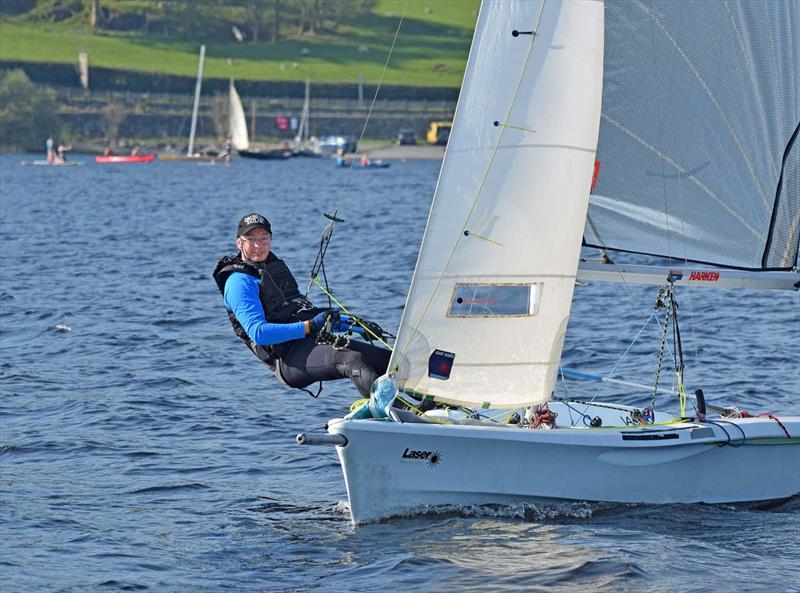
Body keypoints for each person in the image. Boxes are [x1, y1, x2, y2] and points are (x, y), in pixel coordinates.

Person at [213, 213, 391, 397]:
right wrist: (311, 326)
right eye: (251, 239)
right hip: (286, 358)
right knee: (353, 360)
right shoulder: (238, 283)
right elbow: (259, 333)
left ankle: (420, 408)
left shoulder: (272, 268)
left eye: (263, 238)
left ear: (270, 239)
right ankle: (392, 415)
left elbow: (302, 312)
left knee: (387, 360)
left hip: (309, 341)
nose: (258, 245)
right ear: (239, 243)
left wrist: (355, 325)